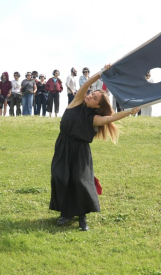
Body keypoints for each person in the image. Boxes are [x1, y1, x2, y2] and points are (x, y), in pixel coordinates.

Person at [49, 64, 140, 231]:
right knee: (59, 177)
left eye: (95, 97)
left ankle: (82, 217)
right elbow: (85, 85)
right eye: (92, 94)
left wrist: (129, 112)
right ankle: (66, 213)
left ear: (98, 106)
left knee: (80, 181)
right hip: (63, 146)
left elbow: (111, 118)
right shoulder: (76, 102)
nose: (90, 96)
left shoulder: (95, 118)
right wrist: (101, 73)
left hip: (80, 151)